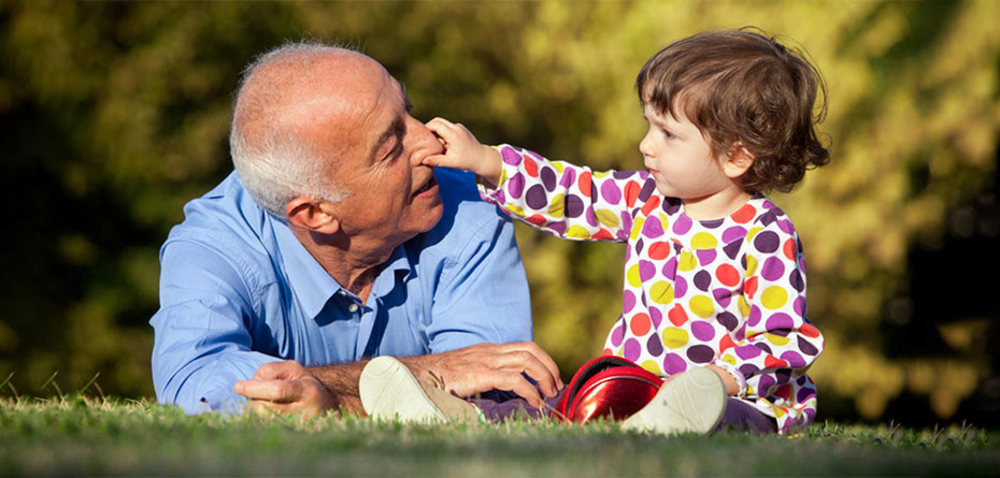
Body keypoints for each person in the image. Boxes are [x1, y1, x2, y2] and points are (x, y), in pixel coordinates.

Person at [419, 28, 829, 435]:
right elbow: (574, 193)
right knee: (560, 402)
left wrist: (722, 379)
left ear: (736, 155)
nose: (646, 145)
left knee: (730, 419)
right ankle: (460, 413)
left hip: (739, 398)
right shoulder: (645, 199)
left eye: (668, 134)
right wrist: (489, 161)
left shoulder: (766, 233)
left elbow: (781, 337)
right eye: (649, 125)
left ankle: (683, 418)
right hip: (634, 387)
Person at [149, 42, 563, 417]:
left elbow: (494, 396)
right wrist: (422, 374)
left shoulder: (469, 203)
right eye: (390, 147)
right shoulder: (214, 245)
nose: (433, 144)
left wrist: (330, 396)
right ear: (315, 213)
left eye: (409, 110)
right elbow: (196, 386)